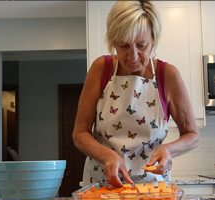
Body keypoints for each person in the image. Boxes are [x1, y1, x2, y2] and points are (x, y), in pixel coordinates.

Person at [72, 0, 199, 187]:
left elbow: (192, 135)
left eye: (141, 45)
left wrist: (168, 149)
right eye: (123, 46)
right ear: (113, 41)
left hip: (152, 188)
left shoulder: (168, 75)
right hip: (102, 186)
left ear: (153, 40)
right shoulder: (101, 69)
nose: (132, 56)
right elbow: (79, 133)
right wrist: (107, 155)